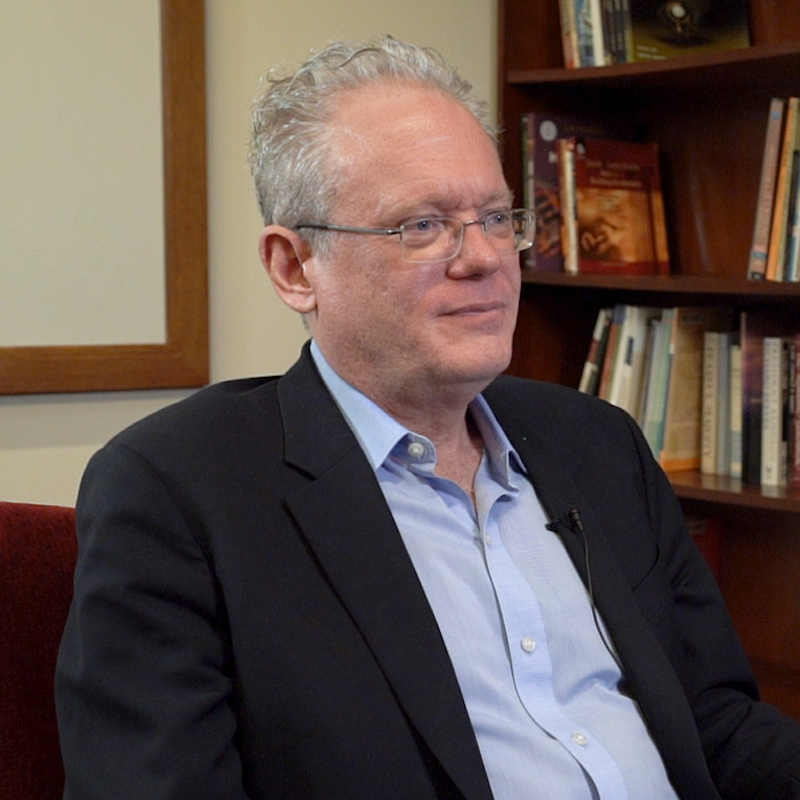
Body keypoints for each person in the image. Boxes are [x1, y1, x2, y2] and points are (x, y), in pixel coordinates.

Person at [56, 36, 800, 800]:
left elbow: (712, 725)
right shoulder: (179, 491)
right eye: (422, 226)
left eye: (497, 217)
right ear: (295, 267)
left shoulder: (597, 440)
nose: (484, 258)